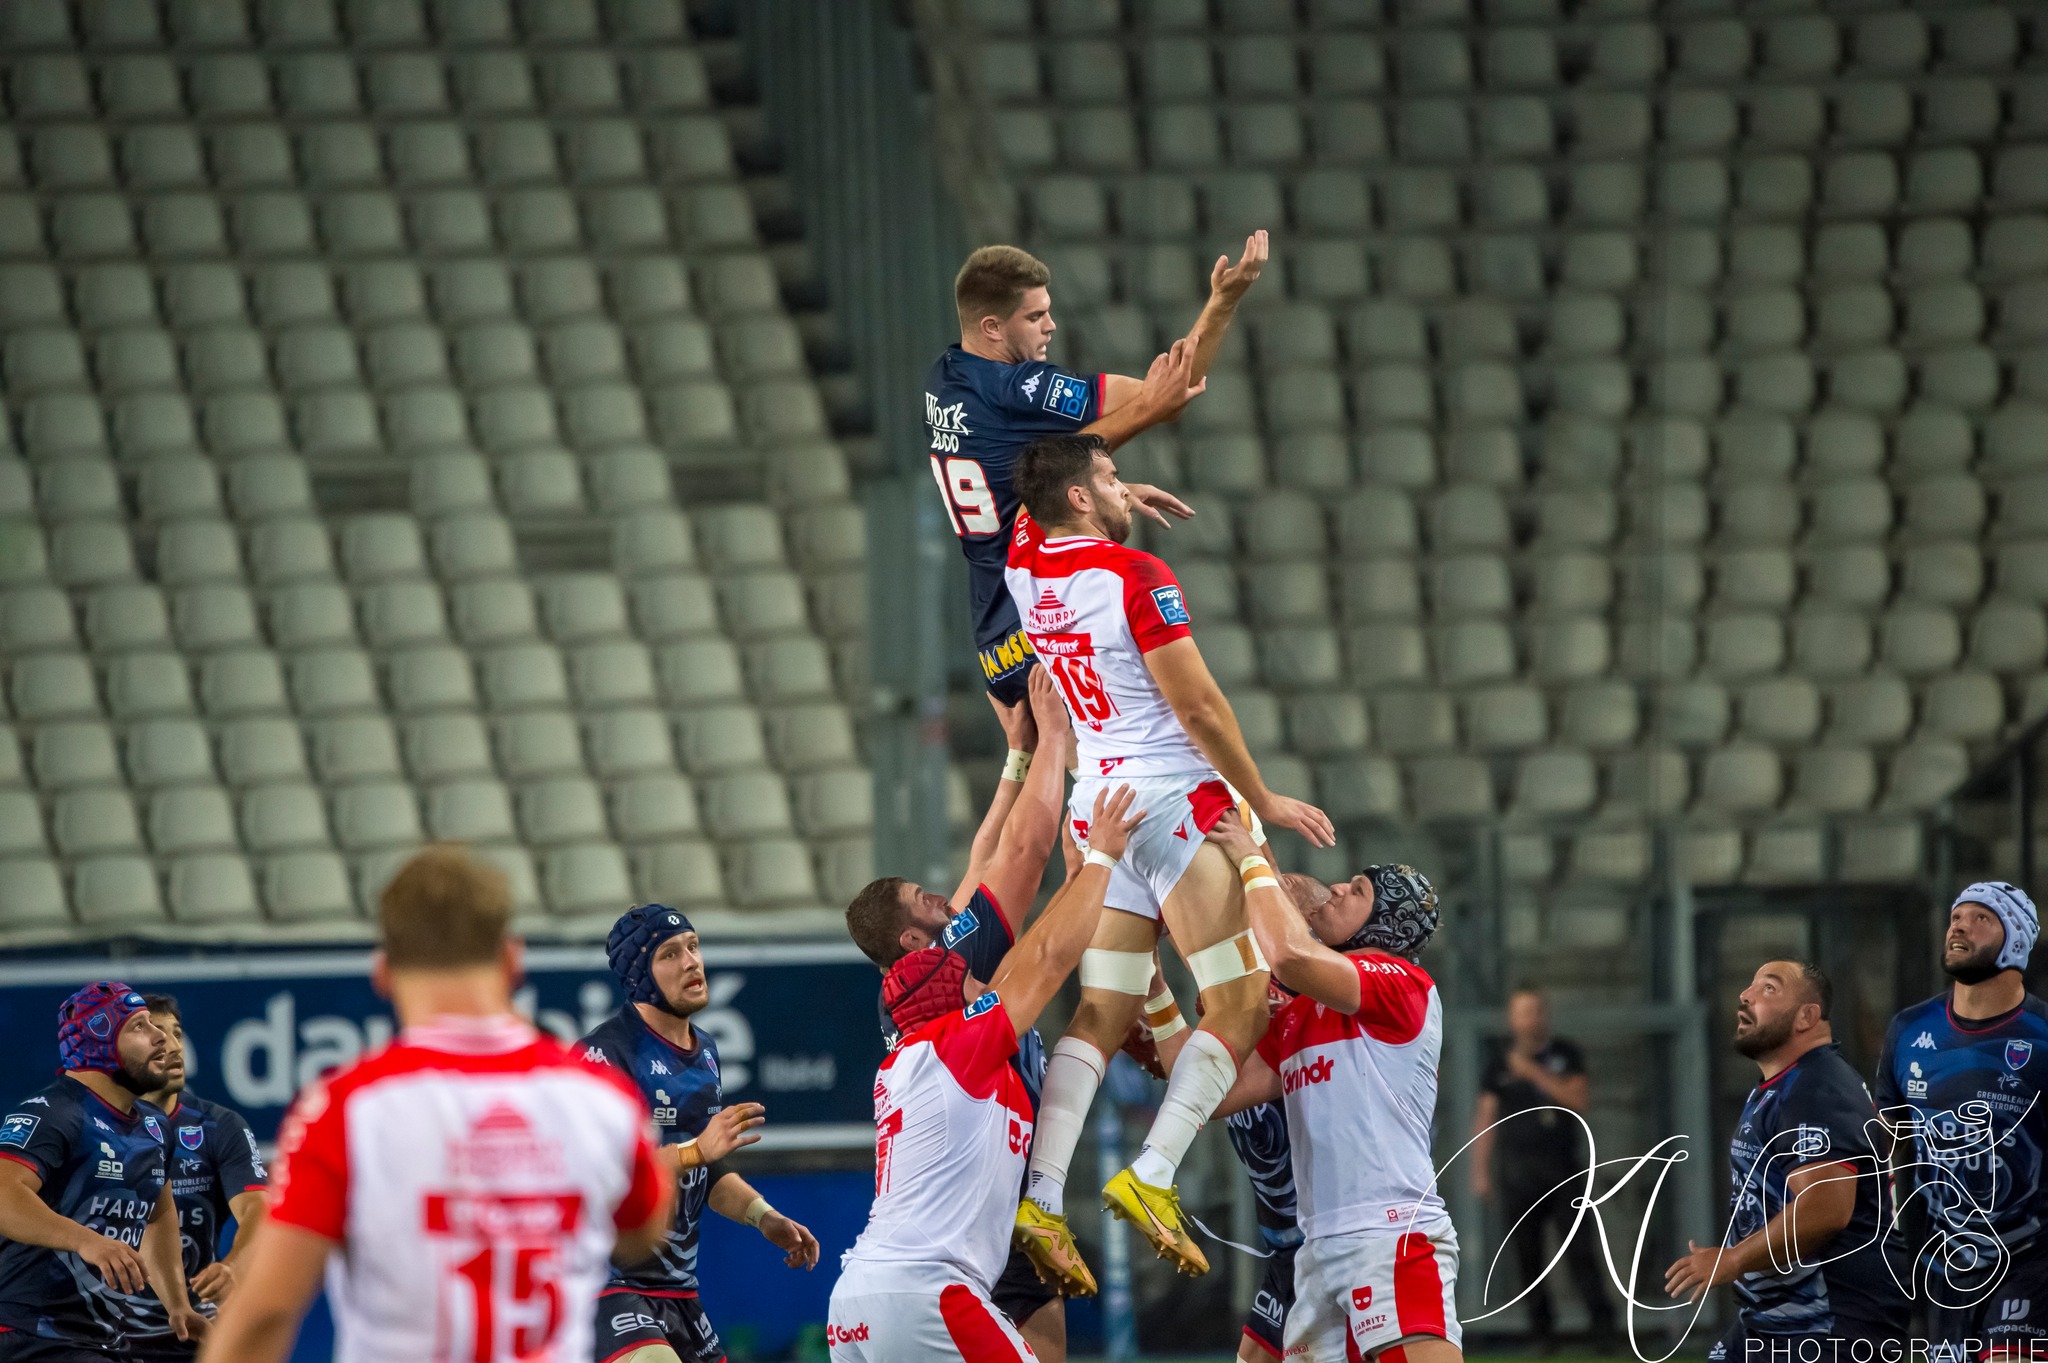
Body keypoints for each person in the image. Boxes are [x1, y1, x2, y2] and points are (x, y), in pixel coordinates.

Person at [1002, 432, 1334, 1288]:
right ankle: (1152, 1174)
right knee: (1240, 1001)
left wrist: (1109, 494)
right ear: (1080, 497)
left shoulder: (1023, 563)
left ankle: (1040, 1195)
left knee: (1103, 1012)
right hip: (1178, 803)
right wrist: (1263, 799)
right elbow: (1199, 705)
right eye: (1109, 478)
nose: (1122, 487)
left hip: (1099, 809)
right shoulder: (1137, 577)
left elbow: (1040, 511)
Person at [195, 845, 675, 1363]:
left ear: (382, 972)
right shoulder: (600, 1098)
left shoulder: (346, 1109)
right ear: (513, 959)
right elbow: (643, 1229)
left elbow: (265, 1313)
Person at [826, 785, 1143, 1362]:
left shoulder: (909, 1059)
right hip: (928, 1292)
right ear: (954, 1002)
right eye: (971, 983)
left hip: (855, 1304)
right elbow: (1043, 963)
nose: (986, 984)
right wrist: (1102, 858)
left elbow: (1023, 961)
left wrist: (1072, 886)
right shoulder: (957, 1046)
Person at [847, 667, 1081, 1354]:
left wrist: (1014, 756)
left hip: (976, 1190)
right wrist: (1053, 743)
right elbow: (1020, 852)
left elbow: (984, 852)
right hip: (986, 1208)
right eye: (928, 897)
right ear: (915, 939)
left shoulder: (922, 979)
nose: (949, 897)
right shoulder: (956, 955)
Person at [924, 237, 1268, 702]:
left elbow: (1008, 468)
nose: (1051, 326)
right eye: (1034, 316)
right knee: (1143, 740)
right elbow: (1169, 392)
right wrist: (1223, 302)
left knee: (1042, 763)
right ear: (992, 327)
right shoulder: (1019, 387)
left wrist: (1107, 484)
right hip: (1048, 605)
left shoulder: (943, 378)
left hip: (993, 627)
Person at [1188, 819, 1464, 1363]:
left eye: (1358, 890)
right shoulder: (1298, 1014)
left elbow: (1290, 957)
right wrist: (1153, 999)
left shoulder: (1402, 981)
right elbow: (1212, 1094)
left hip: (1391, 1237)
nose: (1338, 887)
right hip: (1317, 1248)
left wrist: (1251, 860)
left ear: (1387, 924)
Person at [582, 902, 821, 1363]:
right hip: (607, 1286)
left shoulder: (706, 1051)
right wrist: (695, 1150)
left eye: (693, 946)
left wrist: (763, 1217)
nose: (691, 961)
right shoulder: (602, 1055)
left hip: (680, 1295)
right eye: (669, 954)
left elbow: (706, 1169)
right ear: (638, 974)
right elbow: (599, 1175)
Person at [1665, 961, 1907, 1354]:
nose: (1746, 995)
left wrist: (1734, 1259)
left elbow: (1825, 1207)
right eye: (1750, 985)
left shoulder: (1816, 1087)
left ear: (1807, 1016)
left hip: (1831, 1323)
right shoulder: (1783, 1085)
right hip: (1777, 1318)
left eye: (1769, 988)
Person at [1874, 882, 2048, 1361]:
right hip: (1941, 1268)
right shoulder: (1908, 1030)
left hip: (2030, 1259)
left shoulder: (2042, 1036)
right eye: (1956, 917)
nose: (1959, 927)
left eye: (1980, 918)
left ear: (2015, 939)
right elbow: (1889, 1146)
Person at [0, 983, 208, 1362]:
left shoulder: (155, 1126)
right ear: (99, 1043)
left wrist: (178, 1304)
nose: (161, 1037)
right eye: (139, 1027)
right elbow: (4, 1196)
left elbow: (159, 1214)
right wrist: (88, 1240)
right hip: (30, 1334)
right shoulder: (52, 1112)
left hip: (102, 1340)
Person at [1469, 987, 1614, 1350]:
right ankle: (1543, 1334)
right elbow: (1485, 1120)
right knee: (1528, 1256)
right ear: (1511, 1018)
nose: (1529, 1019)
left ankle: (1604, 1331)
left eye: (1535, 1011)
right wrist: (1481, 1172)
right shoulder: (1498, 1064)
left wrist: (1533, 1073)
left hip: (1563, 1169)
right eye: (1522, 1012)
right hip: (1518, 1171)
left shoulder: (1565, 1054)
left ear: (1545, 1014)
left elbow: (1578, 1099)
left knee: (1580, 1250)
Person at [127, 995, 268, 1361]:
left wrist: (233, 1266)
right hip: (104, 1334)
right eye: (157, 1036)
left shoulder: (220, 1127)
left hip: (195, 1333)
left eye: (177, 1034)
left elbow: (259, 1210)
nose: (173, 1047)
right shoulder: (86, 1128)